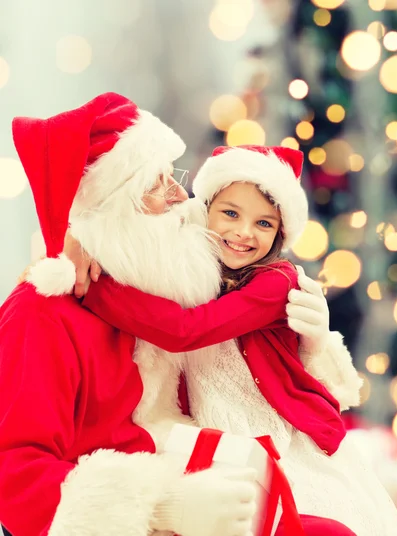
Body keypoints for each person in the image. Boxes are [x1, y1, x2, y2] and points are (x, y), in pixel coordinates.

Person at [0, 93, 342, 536]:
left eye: (174, 177)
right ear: (117, 204)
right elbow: (13, 475)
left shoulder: (156, 294)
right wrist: (161, 508)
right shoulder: (43, 312)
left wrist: (318, 346)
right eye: (159, 183)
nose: (183, 196)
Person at [77, 145, 397, 536]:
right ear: (205, 210)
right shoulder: (194, 264)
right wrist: (85, 242)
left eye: (264, 223)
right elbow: (142, 238)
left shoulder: (276, 282)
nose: (243, 233)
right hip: (217, 436)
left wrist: (95, 288)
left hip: (278, 437)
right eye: (231, 213)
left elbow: (187, 331)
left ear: (280, 233)